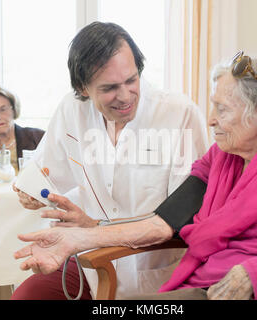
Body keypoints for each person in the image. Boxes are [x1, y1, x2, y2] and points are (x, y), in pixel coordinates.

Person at [13, 52, 257, 300]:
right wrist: (78, 238)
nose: (210, 120)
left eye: (222, 110)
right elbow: (166, 220)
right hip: (204, 285)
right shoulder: (220, 158)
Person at [11, 22, 209, 299]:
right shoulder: (71, 110)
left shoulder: (179, 114)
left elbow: (181, 218)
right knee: (28, 295)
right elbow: (45, 176)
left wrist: (96, 228)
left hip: (154, 264)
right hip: (90, 259)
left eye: (131, 80)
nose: (126, 97)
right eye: (109, 88)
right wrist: (31, 192)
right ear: (83, 88)